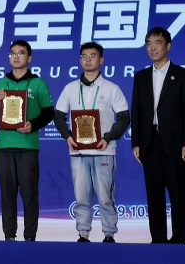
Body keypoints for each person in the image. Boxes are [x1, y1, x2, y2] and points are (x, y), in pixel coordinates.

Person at [54, 42, 130, 243]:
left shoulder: (112, 89)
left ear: (101, 60)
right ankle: (83, 233)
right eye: (84, 56)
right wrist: (68, 137)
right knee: (81, 197)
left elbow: (124, 118)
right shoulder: (70, 88)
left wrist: (107, 138)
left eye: (93, 56)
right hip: (78, 151)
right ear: (80, 60)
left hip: (104, 150)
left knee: (105, 197)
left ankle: (109, 233)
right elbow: (58, 117)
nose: (88, 60)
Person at [131, 27, 185, 244]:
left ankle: (178, 238)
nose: (152, 48)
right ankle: (158, 239)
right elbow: (136, 111)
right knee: (154, 195)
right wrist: (136, 142)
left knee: (178, 194)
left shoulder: (183, 75)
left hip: (176, 144)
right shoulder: (140, 77)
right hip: (149, 144)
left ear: (168, 46)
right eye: (149, 44)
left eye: (157, 43)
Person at [0, 40, 55, 241]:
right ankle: (9, 235)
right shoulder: (1, 83)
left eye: (21, 53)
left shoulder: (38, 83)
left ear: (29, 58)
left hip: (28, 146)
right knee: (7, 194)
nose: (16, 56)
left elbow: (49, 112)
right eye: (13, 53)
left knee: (29, 194)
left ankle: (30, 236)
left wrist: (32, 125)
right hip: (4, 147)